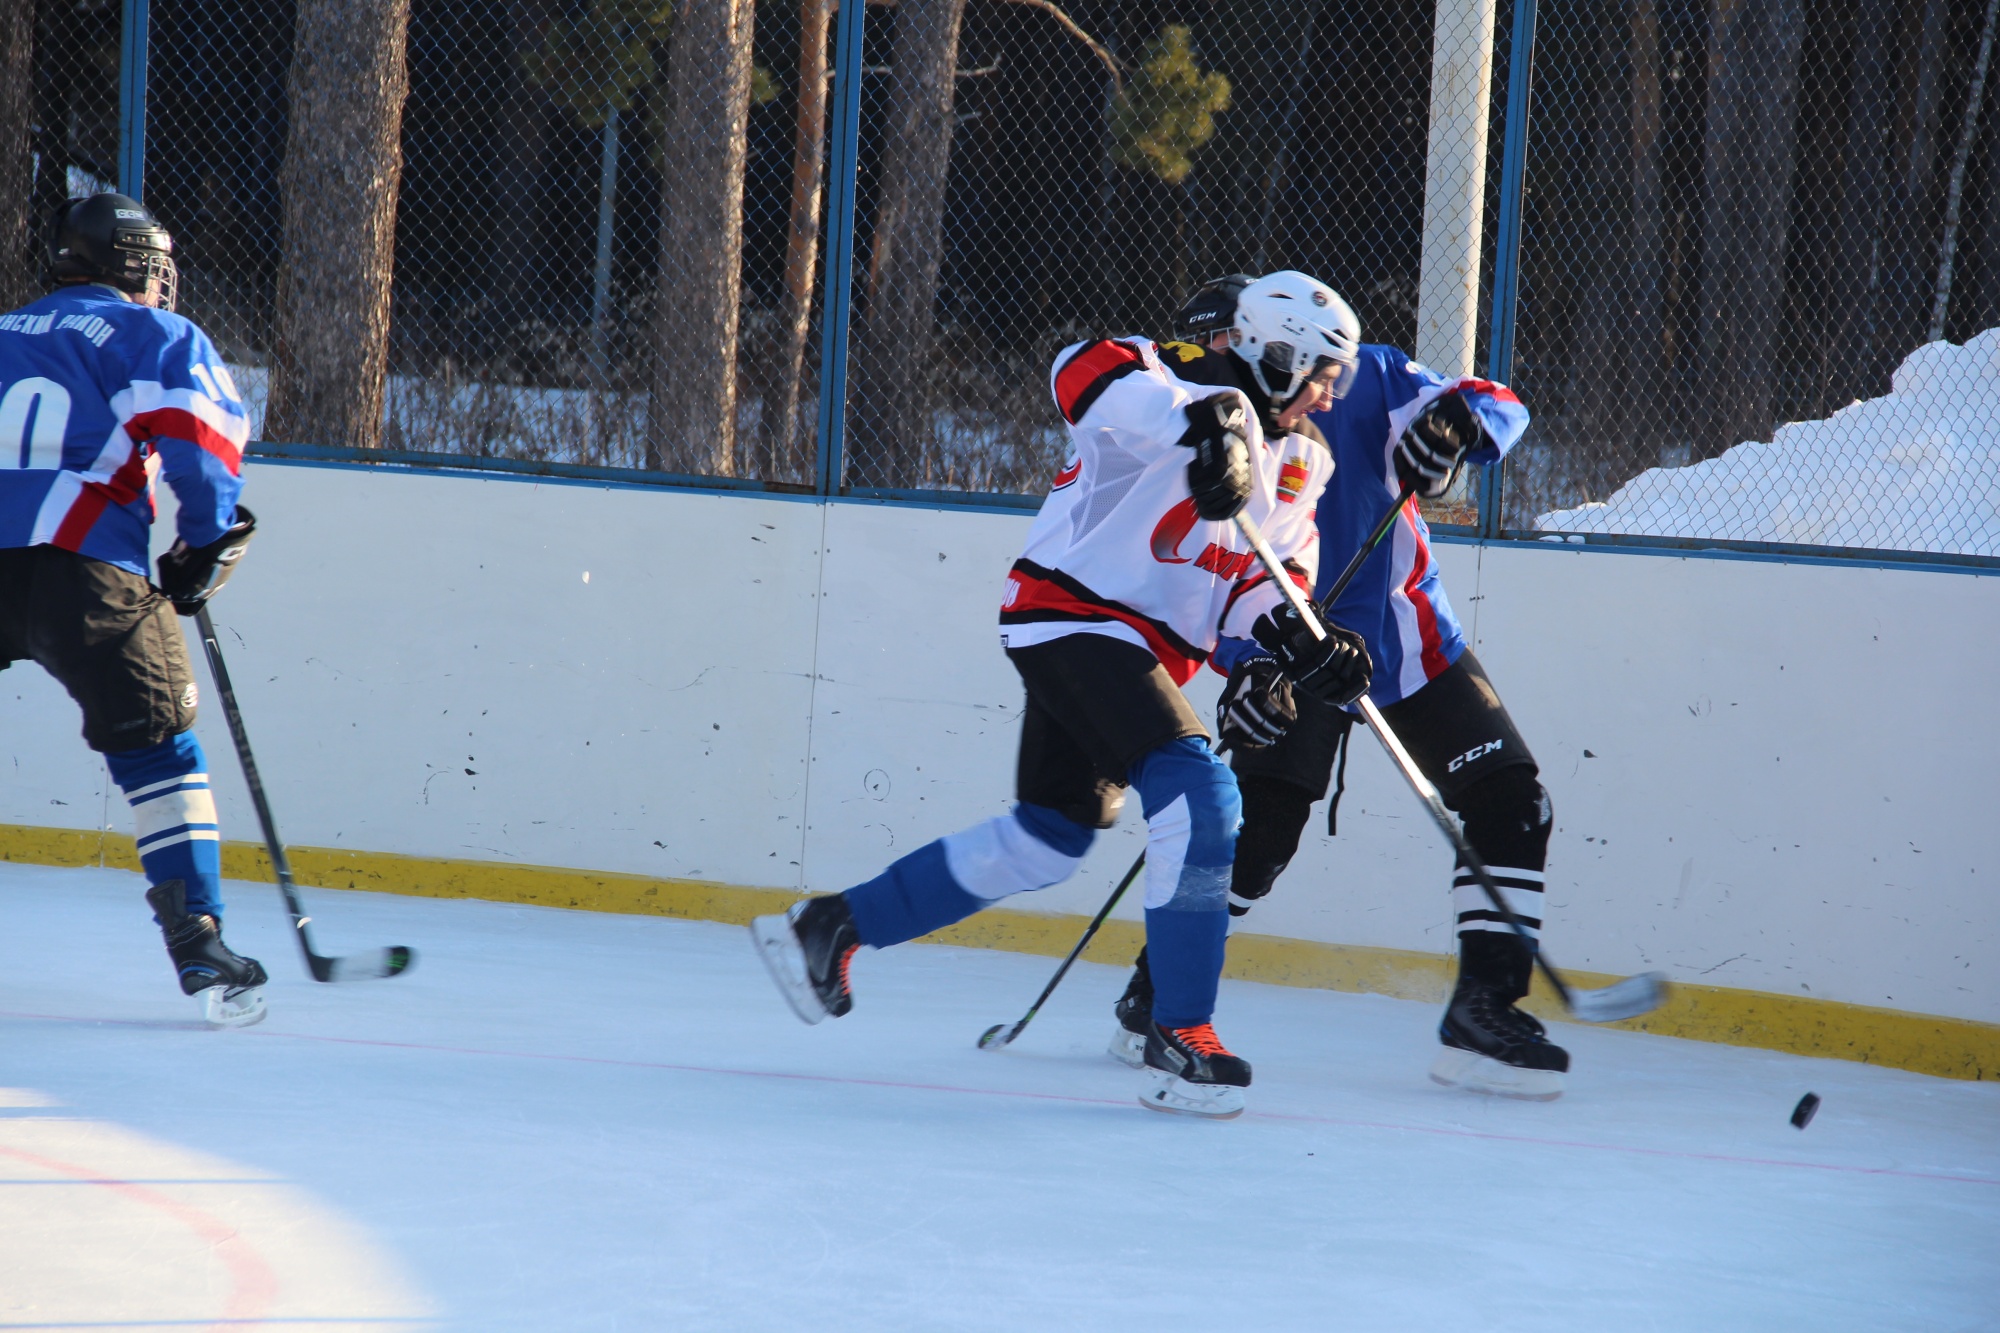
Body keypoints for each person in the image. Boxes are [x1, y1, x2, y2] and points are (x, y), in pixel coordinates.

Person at [754, 271, 1373, 1118]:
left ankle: (828, 927)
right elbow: (1077, 371)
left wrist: (1299, 646)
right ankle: (1180, 1028)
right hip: (1073, 617)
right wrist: (1204, 422)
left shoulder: (1304, 458)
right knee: (1202, 792)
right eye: (1323, 376)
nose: (1330, 399)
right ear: (1278, 354)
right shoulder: (1165, 376)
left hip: (1145, 651)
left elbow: (1265, 579)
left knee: (1049, 838)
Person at [1108, 275, 1568, 1100]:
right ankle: (1158, 989)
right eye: (1202, 352)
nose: (1213, 368)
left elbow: (1495, 397)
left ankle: (1484, 1009)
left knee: (1513, 799)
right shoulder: (1205, 432)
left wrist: (1462, 422)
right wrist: (1249, 660)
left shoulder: (1368, 379)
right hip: (1295, 647)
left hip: (1404, 638)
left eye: (1221, 346)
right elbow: (1211, 572)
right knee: (1261, 833)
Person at [0, 193, 264, 1026]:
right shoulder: (156, 335)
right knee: (160, 750)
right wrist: (200, 544)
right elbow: (203, 440)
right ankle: (200, 944)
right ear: (136, 267)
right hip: (85, 567)